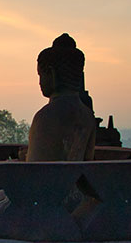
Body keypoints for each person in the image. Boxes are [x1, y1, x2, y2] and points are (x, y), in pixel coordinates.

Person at [25, 33, 96, 161]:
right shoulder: (87, 116)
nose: (39, 82)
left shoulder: (46, 117)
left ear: (52, 74)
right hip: (77, 180)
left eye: (40, 75)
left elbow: (35, 169)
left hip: (50, 180)